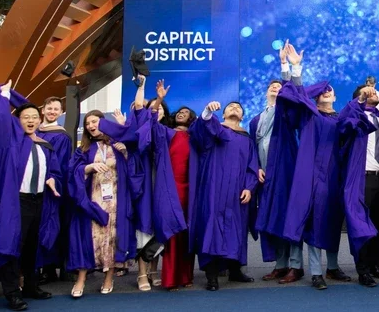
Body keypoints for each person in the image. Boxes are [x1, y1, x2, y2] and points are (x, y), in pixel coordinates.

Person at [277, 46, 352, 290]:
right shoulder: (309, 116)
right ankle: (316, 272)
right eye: (323, 91)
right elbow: (294, 96)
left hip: (333, 176)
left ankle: (332, 267)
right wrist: (295, 68)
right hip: (310, 177)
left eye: (331, 91)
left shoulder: (341, 118)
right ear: (316, 98)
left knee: (331, 221)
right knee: (312, 223)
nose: (328, 93)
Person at [0, 81, 63, 311]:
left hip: (40, 200)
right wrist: (5, 95)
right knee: (12, 246)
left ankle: (30, 285)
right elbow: (0, 119)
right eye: (25, 117)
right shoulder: (12, 141)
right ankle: (11, 292)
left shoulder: (45, 145)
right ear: (18, 121)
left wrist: (52, 179)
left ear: (40, 121)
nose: (30, 120)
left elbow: (55, 171)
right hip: (17, 201)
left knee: (32, 246)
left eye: (34, 117)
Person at [66, 109, 141, 298]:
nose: (91, 126)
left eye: (95, 122)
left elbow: (134, 157)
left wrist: (123, 131)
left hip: (116, 200)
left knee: (113, 238)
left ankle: (109, 277)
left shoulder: (117, 146)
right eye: (88, 123)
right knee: (89, 238)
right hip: (92, 201)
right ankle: (81, 278)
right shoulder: (82, 149)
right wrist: (88, 167)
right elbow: (71, 171)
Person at [132, 78, 194, 290]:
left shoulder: (189, 135)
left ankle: (179, 274)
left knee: (181, 232)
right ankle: (157, 275)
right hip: (160, 185)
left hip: (185, 187)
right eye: (179, 112)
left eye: (185, 113)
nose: (180, 114)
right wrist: (157, 99)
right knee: (162, 229)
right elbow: (148, 121)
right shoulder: (163, 132)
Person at [190, 101, 259, 290]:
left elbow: (252, 167)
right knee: (211, 227)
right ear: (223, 114)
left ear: (243, 116)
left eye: (239, 108)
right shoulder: (215, 131)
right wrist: (206, 113)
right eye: (231, 107)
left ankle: (235, 270)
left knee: (236, 229)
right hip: (213, 189)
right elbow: (200, 132)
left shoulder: (247, 139)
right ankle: (212, 276)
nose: (235, 108)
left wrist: (249, 187)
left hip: (237, 192)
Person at [254, 43, 302, 284]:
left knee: (289, 217)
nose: (276, 89)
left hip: (285, 173)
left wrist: (286, 66)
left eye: (279, 87)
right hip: (265, 178)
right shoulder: (256, 120)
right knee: (272, 220)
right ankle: (280, 264)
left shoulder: (284, 113)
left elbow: (291, 93)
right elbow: (252, 150)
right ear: (266, 93)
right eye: (272, 87)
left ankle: (295, 265)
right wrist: (257, 169)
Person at [339, 84, 379, 288]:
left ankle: (373, 265)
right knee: (362, 226)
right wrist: (359, 102)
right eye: (370, 92)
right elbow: (343, 125)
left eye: (376, 92)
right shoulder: (356, 119)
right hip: (363, 178)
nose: (376, 94)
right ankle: (362, 270)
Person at [35, 97, 72, 285]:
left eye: (56, 109)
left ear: (60, 112)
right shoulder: (34, 131)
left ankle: (50, 268)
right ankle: (40, 267)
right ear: (43, 110)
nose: (52, 111)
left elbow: (61, 164)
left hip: (52, 187)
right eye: (49, 108)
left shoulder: (61, 136)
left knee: (50, 225)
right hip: (33, 187)